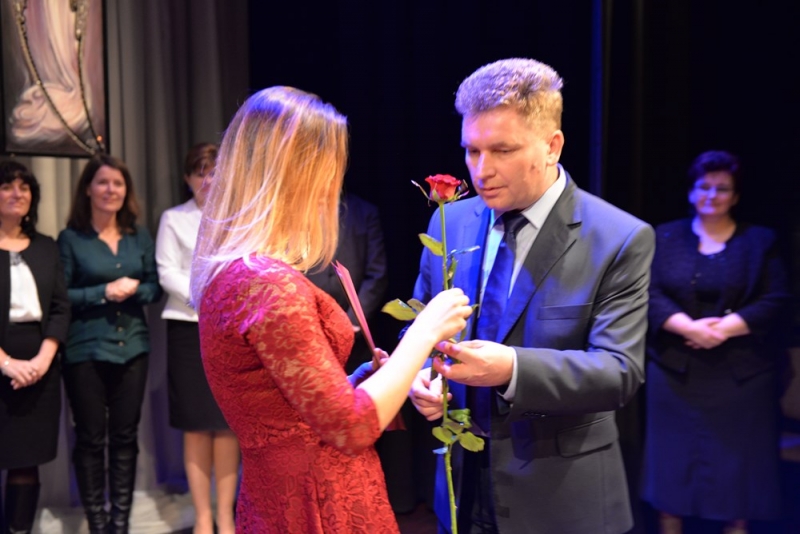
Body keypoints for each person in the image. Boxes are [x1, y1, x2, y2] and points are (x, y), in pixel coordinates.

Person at [190, 86, 472, 533]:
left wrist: (358, 380)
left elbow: (287, 410)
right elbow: (350, 427)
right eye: (328, 175)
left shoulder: (237, 273)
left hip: (279, 495)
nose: (331, 192)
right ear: (297, 177)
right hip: (318, 500)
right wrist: (424, 333)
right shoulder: (268, 285)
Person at [408, 58, 655, 534]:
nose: (482, 170)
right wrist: (422, 377)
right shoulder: (450, 222)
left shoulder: (618, 237)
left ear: (552, 146)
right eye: (472, 150)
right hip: (460, 492)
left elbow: (619, 372)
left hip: (561, 504)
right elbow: (419, 328)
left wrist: (512, 368)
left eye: (502, 150)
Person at [642, 151, 789, 534]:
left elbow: (776, 298)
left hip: (742, 377)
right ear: (691, 192)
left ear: (735, 196)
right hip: (675, 374)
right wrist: (690, 329)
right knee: (672, 469)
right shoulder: (663, 236)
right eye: (704, 187)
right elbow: (648, 293)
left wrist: (721, 330)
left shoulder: (760, 241)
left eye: (722, 188)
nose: (712, 195)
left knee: (736, 474)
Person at [58, 154, 162, 534]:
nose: (110, 190)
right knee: (90, 438)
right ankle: (97, 522)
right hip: (84, 349)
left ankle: (120, 522)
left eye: (118, 183)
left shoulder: (139, 235)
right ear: (88, 189)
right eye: (102, 182)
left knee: (125, 436)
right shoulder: (71, 238)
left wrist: (134, 289)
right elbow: (61, 295)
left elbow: (154, 287)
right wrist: (103, 292)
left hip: (133, 347)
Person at [156, 143, 239, 534]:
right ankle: (203, 517)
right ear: (188, 179)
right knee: (196, 424)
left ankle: (226, 515)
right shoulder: (174, 219)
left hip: (228, 328)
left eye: (214, 171)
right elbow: (166, 271)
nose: (208, 180)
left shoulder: (239, 218)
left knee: (226, 422)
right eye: (200, 172)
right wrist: (205, 297)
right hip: (188, 327)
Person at [0, 161, 69, 534]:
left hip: (40, 364)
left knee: (26, 457)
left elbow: (60, 307)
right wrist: (5, 362)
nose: (17, 193)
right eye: (7, 186)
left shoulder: (46, 247)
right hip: (3, 359)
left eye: (24, 187)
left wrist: (43, 360)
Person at [305, 191, 388, 374]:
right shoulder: (298, 211)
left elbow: (376, 273)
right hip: (311, 328)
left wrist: (351, 322)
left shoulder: (364, 212)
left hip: (354, 335)